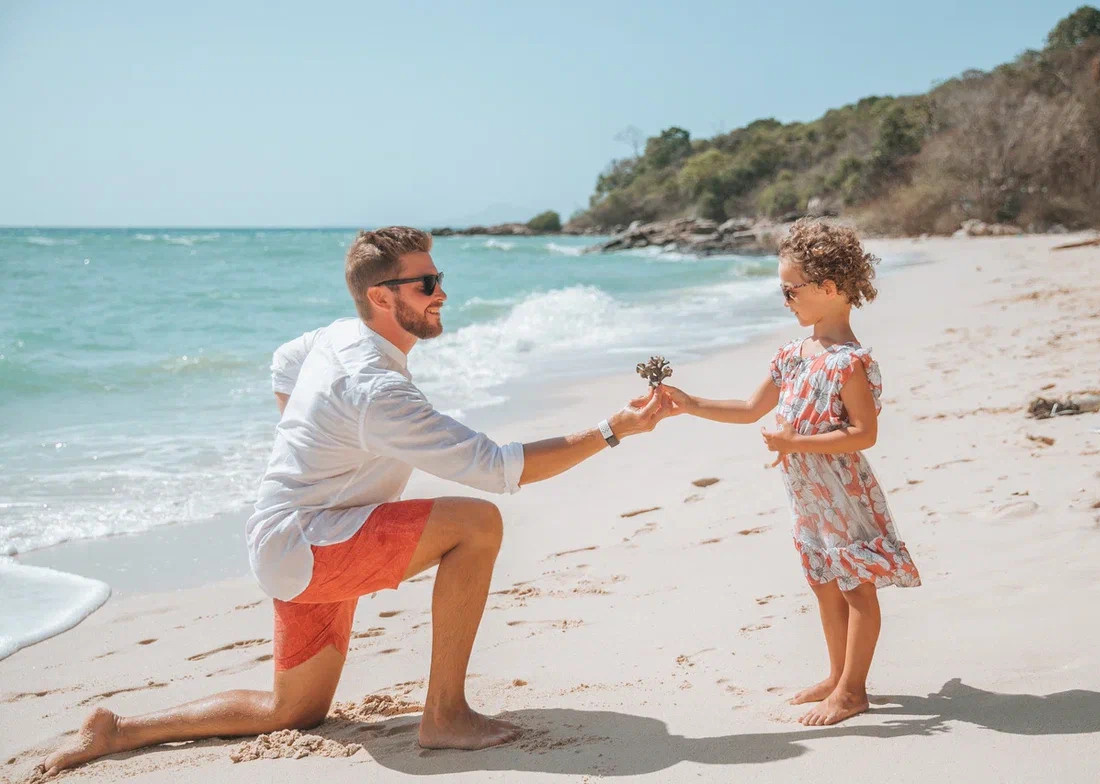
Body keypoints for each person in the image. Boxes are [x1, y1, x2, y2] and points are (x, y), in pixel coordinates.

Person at [38, 226, 672, 777]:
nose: (442, 292)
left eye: (439, 277)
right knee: (477, 523)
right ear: (381, 296)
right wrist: (613, 430)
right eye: (426, 283)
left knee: (294, 711)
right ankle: (445, 715)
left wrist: (312, 447)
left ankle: (118, 730)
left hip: (292, 539)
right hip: (311, 546)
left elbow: (283, 365)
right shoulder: (374, 390)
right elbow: (495, 469)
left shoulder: (340, 336)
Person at [660, 218, 920, 726]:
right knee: (824, 581)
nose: (784, 299)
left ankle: (853, 691)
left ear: (827, 288)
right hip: (809, 495)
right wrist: (688, 404)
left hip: (843, 492)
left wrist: (793, 442)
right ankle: (836, 672)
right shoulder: (793, 356)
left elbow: (864, 434)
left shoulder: (850, 363)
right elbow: (748, 408)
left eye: (789, 290)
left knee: (856, 586)